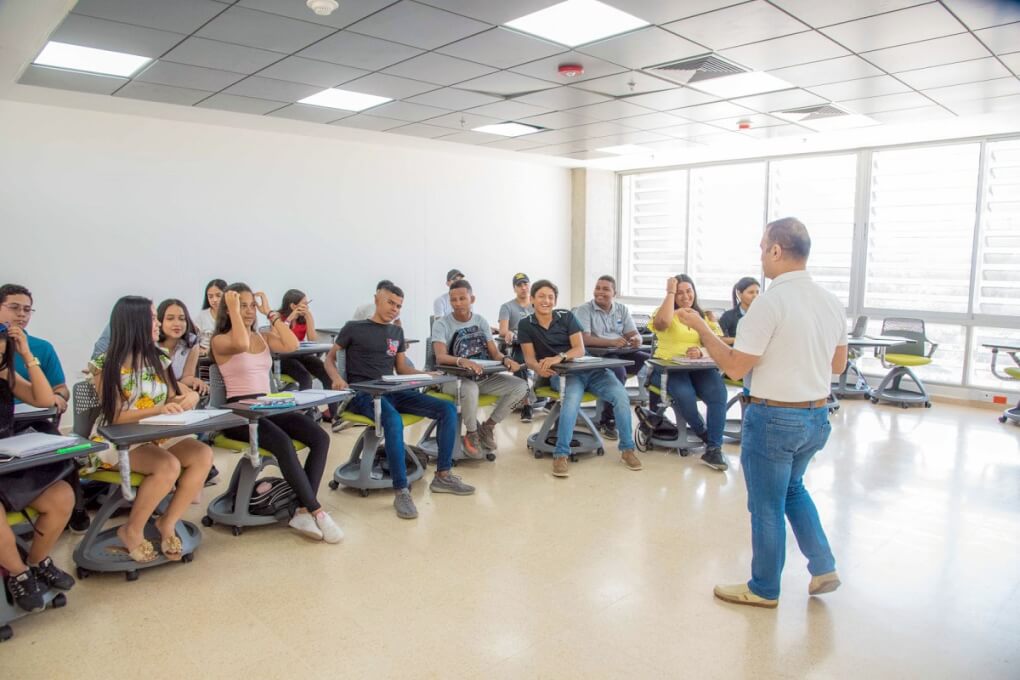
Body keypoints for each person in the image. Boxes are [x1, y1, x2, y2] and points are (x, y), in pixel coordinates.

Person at [678, 217, 847, 609]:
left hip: (774, 420)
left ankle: (764, 588)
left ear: (775, 250)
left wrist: (704, 331)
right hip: (816, 418)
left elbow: (735, 367)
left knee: (766, 505)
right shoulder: (829, 301)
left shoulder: (770, 303)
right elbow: (837, 365)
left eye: (761, 248)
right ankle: (823, 566)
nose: (760, 256)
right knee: (793, 490)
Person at [325, 281, 475, 520]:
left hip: (391, 389)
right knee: (393, 421)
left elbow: (402, 367)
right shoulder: (353, 328)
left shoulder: (396, 331)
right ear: (377, 299)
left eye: (399, 305)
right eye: (390, 303)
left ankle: (443, 476)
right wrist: (336, 379)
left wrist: (426, 374)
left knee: (447, 409)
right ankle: (401, 490)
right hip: (364, 393)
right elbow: (330, 358)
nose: (395, 309)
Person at [211, 284, 341, 544]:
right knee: (282, 443)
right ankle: (318, 511)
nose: (248, 311)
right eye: (242, 305)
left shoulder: (261, 336)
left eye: (251, 306)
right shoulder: (221, 340)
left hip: (268, 406)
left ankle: (303, 511)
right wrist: (234, 311)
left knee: (319, 437)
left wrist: (269, 312)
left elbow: (291, 343)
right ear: (230, 309)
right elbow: (239, 341)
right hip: (239, 412)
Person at [90, 296, 215, 562]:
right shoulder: (105, 363)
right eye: (154, 318)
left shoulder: (157, 357)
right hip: (118, 439)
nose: (158, 323)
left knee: (202, 454)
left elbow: (173, 395)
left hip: (155, 434)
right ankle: (131, 529)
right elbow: (115, 415)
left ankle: (167, 522)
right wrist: (159, 409)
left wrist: (188, 398)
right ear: (135, 322)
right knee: (167, 465)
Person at [517, 279, 641, 478]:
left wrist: (560, 356)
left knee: (621, 397)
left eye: (550, 297)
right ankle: (561, 454)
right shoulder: (525, 325)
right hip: (563, 375)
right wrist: (539, 369)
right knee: (571, 402)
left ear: (555, 300)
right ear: (532, 299)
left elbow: (580, 348)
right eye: (541, 296)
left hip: (591, 369)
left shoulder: (566, 317)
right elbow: (529, 359)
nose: (546, 301)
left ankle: (627, 450)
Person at [0, 322, 77, 612]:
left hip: (6, 461)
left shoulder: (4, 372)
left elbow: (45, 400)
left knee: (61, 495)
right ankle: (18, 574)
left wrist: (27, 354)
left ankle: (36, 562)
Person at [432, 280, 528, 457]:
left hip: (482, 376)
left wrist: (506, 359)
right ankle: (472, 433)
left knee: (521, 386)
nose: (458, 303)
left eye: (462, 298)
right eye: (453, 300)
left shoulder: (480, 321)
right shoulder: (441, 324)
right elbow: (440, 357)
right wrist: (462, 361)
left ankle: (488, 427)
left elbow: (494, 353)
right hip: (453, 379)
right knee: (471, 389)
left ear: (472, 298)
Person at [650, 274, 729, 471]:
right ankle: (703, 432)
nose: (685, 296)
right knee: (686, 395)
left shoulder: (701, 316)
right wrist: (669, 292)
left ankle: (714, 449)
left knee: (719, 393)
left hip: (697, 367)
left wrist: (700, 351)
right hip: (670, 367)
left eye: (689, 291)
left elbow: (718, 341)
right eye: (680, 293)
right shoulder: (664, 312)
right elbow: (662, 324)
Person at [573, 275, 649, 440]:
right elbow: (584, 339)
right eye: (597, 288)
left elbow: (634, 334)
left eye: (605, 289)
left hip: (620, 351)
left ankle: (652, 416)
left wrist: (637, 340)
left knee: (649, 361)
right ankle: (607, 420)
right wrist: (611, 341)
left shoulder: (622, 309)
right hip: (596, 354)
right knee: (618, 371)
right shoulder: (584, 310)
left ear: (614, 292)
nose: (600, 292)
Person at [0, 284, 68, 432]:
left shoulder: (5, 369)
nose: (22, 314)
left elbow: (45, 400)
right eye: (14, 307)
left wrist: (27, 354)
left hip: (24, 420)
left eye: (27, 309)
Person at [498, 273, 537, 422]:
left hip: (539, 344)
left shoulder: (537, 305)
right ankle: (527, 405)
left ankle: (552, 400)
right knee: (520, 363)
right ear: (514, 288)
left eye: (525, 284)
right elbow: (503, 330)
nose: (523, 287)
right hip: (520, 345)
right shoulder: (507, 307)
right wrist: (509, 332)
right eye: (519, 285)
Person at [156, 298, 208, 396]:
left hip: (178, 394)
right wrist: (175, 385)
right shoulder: (152, 344)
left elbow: (187, 376)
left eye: (182, 319)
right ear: (160, 321)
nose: (177, 324)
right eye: (170, 318)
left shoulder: (192, 342)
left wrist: (195, 381)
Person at [718, 277, 760, 345]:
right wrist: (739, 340)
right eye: (751, 292)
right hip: (737, 352)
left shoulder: (763, 314)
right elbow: (717, 338)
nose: (755, 296)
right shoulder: (728, 315)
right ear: (739, 293)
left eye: (757, 292)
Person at [195, 279, 227, 353]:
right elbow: (191, 337)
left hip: (224, 355)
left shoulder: (233, 315)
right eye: (210, 296)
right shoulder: (202, 316)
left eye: (218, 295)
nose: (214, 300)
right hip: (204, 356)